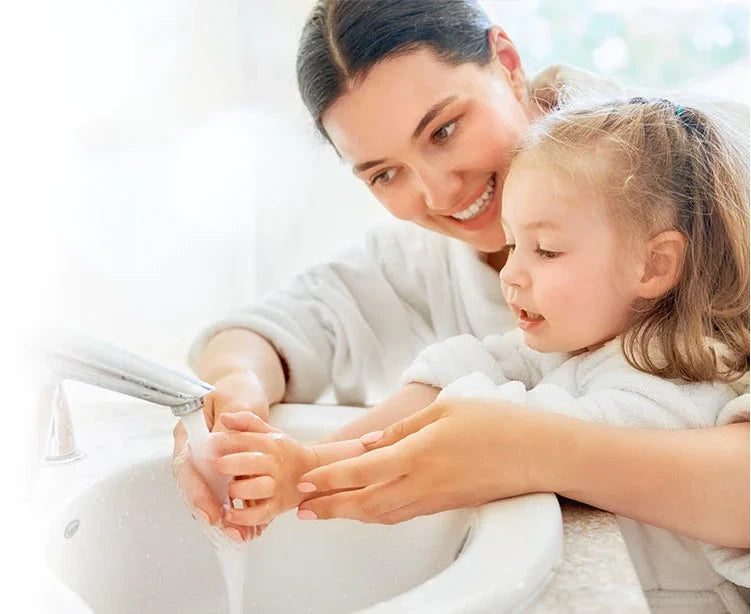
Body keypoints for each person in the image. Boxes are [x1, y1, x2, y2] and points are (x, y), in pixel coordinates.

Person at [172, 0, 749, 589]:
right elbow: (271, 332)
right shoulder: (424, 264)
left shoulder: (717, 183)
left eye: (444, 130)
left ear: (506, 61)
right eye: (384, 174)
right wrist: (239, 416)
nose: (438, 192)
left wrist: (535, 449)